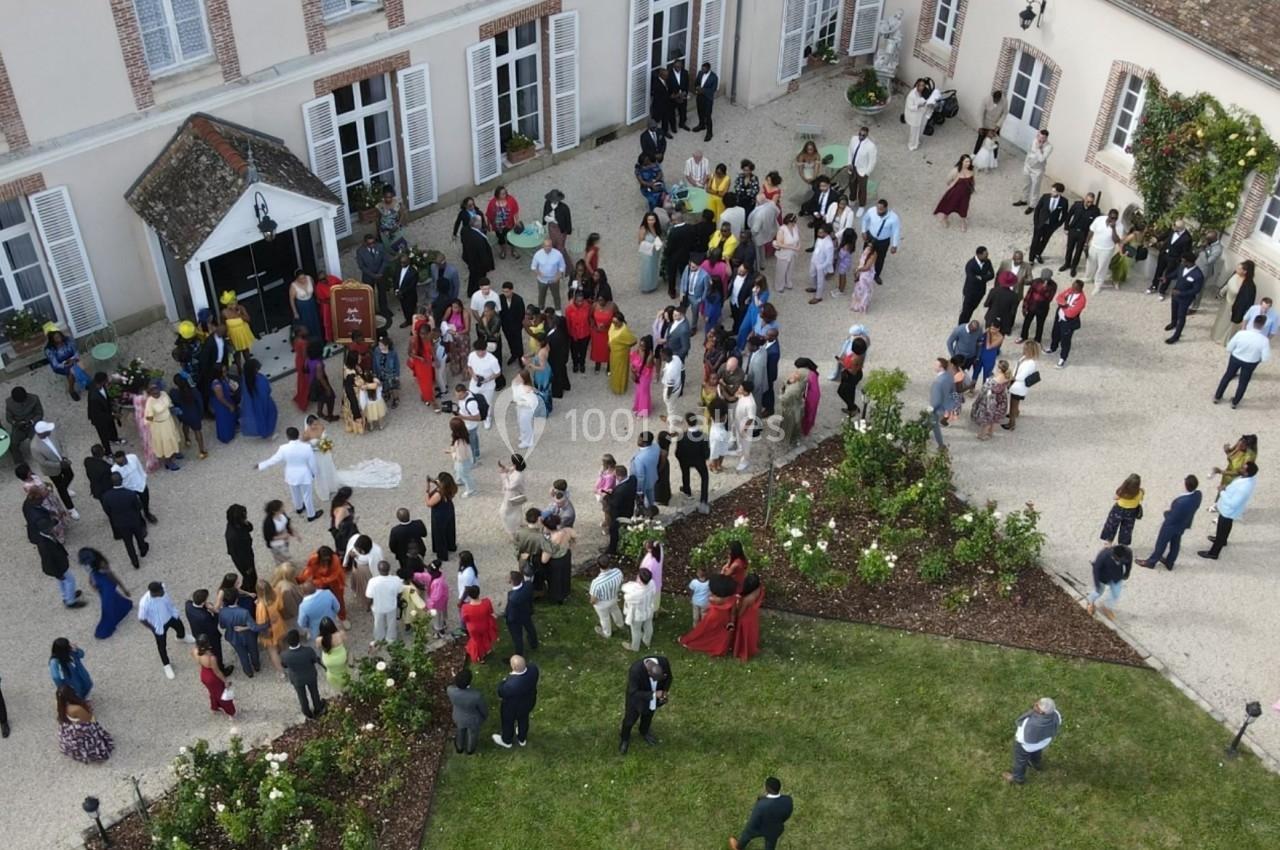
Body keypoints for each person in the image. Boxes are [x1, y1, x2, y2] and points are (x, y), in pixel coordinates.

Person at [255, 427, 321, 522]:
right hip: (304, 475)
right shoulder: (306, 447)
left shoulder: (283, 448)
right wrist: (315, 473)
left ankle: (299, 508)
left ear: (287, 437)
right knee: (307, 496)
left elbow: (273, 460)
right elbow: (312, 463)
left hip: (291, 475)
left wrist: (261, 465)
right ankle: (311, 515)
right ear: (298, 435)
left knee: (295, 494)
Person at [1136, 476, 1202, 571]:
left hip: (1171, 526)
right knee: (1175, 543)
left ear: (1186, 485)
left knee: (1161, 543)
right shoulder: (1198, 495)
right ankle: (1170, 562)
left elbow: (1172, 516)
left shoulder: (1180, 502)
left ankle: (1151, 562)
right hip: (1183, 524)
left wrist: (1166, 513)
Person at [1198, 462, 1259, 561]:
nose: (1241, 468)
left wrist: (1222, 491)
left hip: (1228, 511)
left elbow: (1232, 503)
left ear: (1247, 473)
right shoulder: (1247, 478)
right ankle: (1223, 541)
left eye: (1243, 468)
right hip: (1229, 511)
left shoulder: (1244, 488)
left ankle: (1214, 553)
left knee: (1222, 529)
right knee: (1226, 527)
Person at [1213, 315, 1271, 408]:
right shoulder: (1264, 340)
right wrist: (1258, 359)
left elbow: (1229, 347)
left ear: (1252, 323)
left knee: (1227, 376)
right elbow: (1265, 358)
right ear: (1263, 326)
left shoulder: (1241, 334)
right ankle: (1235, 402)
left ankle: (1217, 396)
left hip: (1236, 358)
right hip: (1251, 362)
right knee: (1243, 382)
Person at [618, 655, 672, 755]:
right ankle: (624, 738)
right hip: (636, 699)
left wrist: (664, 692)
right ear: (648, 672)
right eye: (654, 679)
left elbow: (669, 678)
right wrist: (655, 694)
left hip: (653, 699)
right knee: (629, 720)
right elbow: (633, 692)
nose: (657, 681)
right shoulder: (635, 670)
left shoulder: (663, 662)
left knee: (648, 715)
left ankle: (644, 731)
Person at [138, 581, 191, 679]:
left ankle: (181, 637)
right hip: (159, 625)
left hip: (170, 616)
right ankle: (166, 665)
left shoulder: (162, 589)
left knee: (180, 628)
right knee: (162, 646)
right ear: (154, 592)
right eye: (160, 591)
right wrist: (152, 628)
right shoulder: (144, 603)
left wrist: (174, 612)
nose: (163, 592)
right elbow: (142, 618)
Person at [1004, 697, 1061, 784]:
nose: (1035, 704)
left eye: (1037, 705)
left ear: (1042, 712)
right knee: (1037, 752)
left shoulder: (1030, 723)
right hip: (1043, 742)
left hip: (1026, 746)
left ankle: (1018, 778)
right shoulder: (1056, 714)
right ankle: (1036, 764)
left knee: (1020, 761)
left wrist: (1017, 740)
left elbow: (1022, 737)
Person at [27, 420, 79, 515]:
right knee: (61, 488)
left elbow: (61, 444)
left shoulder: (52, 433)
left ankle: (65, 489)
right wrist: (59, 465)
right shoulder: (34, 446)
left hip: (63, 462)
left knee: (70, 475)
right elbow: (43, 462)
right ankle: (71, 508)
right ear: (41, 433)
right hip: (52, 470)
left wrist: (64, 457)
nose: (50, 431)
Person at [729, 777, 794, 850]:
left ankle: (738, 847)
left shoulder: (761, 805)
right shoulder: (788, 800)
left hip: (759, 829)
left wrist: (750, 829)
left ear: (767, 789)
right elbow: (787, 814)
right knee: (770, 844)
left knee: (746, 834)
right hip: (775, 829)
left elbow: (753, 821)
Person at [81, 548, 132, 640]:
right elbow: (91, 575)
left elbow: (112, 576)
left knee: (107, 607)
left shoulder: (102, 564)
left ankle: (106, 628)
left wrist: (124, 589)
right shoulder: (90, 563)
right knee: (113, 601)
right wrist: (92, 583)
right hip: (101, 586)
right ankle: (123, 607)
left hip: (106, 586)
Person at [56, 685, 114, 763]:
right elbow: (88, 718)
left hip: (69, 728)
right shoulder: (76, 709)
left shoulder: (60, 704)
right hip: (81, 730)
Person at [492, 654, 539, 749]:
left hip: (512, 708)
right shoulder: (533, 669)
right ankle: (522, 739)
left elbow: (501, 692)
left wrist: (504, 680)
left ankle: (507, 741)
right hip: (528, 703)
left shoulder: (510, 685)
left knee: (508, 723)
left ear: (513, 667)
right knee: (524, 720)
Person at [281, 629, 326, 718]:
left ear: (288, 642)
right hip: (310, 675)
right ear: (299, 639)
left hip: (296, 678)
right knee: (314, 692)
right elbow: (315, 660)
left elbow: (284, 665)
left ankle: (307, 712)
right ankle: (318, 708)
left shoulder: (285, 655)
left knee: (301, 696)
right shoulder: (308, 651)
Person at [1212, 261, 1258, 345]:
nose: (1237, 269)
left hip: (1234, 306)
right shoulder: (1235, 275)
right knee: (1221, 320)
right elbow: (1227, 285)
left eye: (1239, 268)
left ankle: (1224, 340)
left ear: (1245, 272)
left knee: (1229, 324)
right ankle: (1216, 334)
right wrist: (1221, 293)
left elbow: (1247, 301)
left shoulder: (1249, 286)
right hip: (1226, 302)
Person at [1164, 254, 1205, 344]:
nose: (1182, 262)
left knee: (1181, 316)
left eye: (1183, 261)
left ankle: (1176, 336)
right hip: (1175, 295)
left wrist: (1181, 293)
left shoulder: (1198, 275)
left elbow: (1196, 290)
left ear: (1189, 262)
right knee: (1174, 310)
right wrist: (1166, 277)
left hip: (1185, 299)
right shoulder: (1182, 267)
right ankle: (1173, 323)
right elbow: (1175, 274)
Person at [192, 634, 237, 717]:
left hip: (204, 674)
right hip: (212, 677)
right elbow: (217, 672)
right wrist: (225, 681)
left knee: (213, 692)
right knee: (222, 694)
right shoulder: (211, 658)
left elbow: (197, 661)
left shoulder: (195, 651)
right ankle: (230, 712)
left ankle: (215, 707)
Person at [447, 668, 489, 755]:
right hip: (473, 720)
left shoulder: (450, 690)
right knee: (472, 734)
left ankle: (459, 747)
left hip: (458, 716)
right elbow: (483, 709)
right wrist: (484, 716)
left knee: (460, 731)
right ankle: (470, 750)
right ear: (469, 682)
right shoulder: (476, 696)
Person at [860, 199, 901, 285]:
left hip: (883, 241)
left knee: (880, 258)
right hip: (870, 237)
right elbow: (864, 220)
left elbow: (896, 231)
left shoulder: (894, 218)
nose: (878, 211)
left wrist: (894, 245)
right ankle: (862, 269)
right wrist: (863, 231)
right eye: (878, 208)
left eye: (881, 209)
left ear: (886, 208)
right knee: (866, 254)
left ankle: (876, 275)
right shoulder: (871, 211)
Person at [1047, 280, 1087, 368]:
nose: (1072, 287)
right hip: (1059, 317)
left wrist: (1063, 305)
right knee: (1055, 333)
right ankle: (1053, 348)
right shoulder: (1070, 290)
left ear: (1079, 288)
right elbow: (1059, 297)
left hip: (1068, 322)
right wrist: (1066, 305)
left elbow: (1071, 313)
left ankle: (1062, 358)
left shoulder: (1082, 300)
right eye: (1072, 285)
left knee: (1065, 340)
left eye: (1074, 286)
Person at [1083, 208, 1124, 294]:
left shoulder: (1119, 226)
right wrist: (1086, 243)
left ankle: (1098, 284)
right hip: (1094, 246)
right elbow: (1091, 231)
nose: (1113, 220)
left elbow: (1116, 241)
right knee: (1090, 263)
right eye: (1112, 217)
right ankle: (1088, 277)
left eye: (1115, 218)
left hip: (1106, 250)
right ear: (1108, 215)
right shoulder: (1099, 219)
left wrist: (1113, 229)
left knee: (1102, 267)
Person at [676, 412, 711, 511]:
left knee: (685, 473)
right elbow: (706, 453)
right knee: (704, 478)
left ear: (687, 422)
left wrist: (681, 460)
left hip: (685, 460)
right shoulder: (703, 435)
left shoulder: (682, 436)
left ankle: (687, 490)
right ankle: (703, 501)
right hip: (699, 461)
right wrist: (704, 459)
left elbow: (677, 452)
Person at [934, 154, 976, 230]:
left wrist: (972, 188)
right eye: (966, 161)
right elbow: (948, 180)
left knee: (964, 208)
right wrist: (952, 187)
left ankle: (963, 222)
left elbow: (972, 180)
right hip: (955, 193)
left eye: (969, 161)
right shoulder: (956, 170)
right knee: (949, 206)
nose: (968, 163)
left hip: (965, 194)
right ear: (962, 162)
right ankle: (944, 218)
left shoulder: (971, 169)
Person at [366, 561, 404, 645]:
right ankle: (391, 639)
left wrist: (368, 607)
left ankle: (379, 638)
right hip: (391, 606)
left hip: (378, 607)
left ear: (378, 570)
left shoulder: (372, 581)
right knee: (391, 623)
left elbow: (369, 597)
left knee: (378, 623)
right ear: (389, 569)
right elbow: (400, 592)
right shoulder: (396, 579)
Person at [1028, 182, 1067, 263]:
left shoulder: (1064, 202)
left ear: (1060, 192)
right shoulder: (1045, 197)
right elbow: (1037, 209)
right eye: (1052, 190)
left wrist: (1057, 225)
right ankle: (1031, 259)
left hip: (1051, 226)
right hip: (1040, 223)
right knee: (1035, 241)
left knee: (1045, 241)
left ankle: (1038, 254)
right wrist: (1036, 222)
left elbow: (1064, 215)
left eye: (1055, 191)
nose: (1052, 193)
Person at [1101, 474, 1144, 546]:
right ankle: (1123, 544)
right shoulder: (1140, 493)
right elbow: (1141, 499)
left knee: (1111, 525)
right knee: (1127, 529)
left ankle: (1108, 542)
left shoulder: (1122, 491)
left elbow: (1115, 497)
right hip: (1131, 512)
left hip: (1118, 510)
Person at [1014, 129, 1053, 209]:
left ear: (1046, 138)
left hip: (1037, 170)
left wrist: (1039, 149)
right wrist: (1026, 163)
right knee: (1026, 185)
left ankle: (1032, 205)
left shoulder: (1049, 147)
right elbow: (1029, 151)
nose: (1039, 139)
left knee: (1035, 188)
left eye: (1042, 138)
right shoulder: (1035, 140)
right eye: (1039, 136)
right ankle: (1024, 200)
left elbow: (1041, 159)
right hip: (1028, 166)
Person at [1018, 270, 1057, 345]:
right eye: (1043, 278)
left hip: (1042, 308)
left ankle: (1037, 340)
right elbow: (1029, 293)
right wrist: (1025, 305)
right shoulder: (1036, 281)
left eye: (1046, 279)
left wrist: (1044, 289)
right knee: (1026, 322)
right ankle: (1023, 336)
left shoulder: (1053, 285)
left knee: (1040, 324)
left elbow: (1049, 298)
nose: (1044, 280)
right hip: (1032, 305)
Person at [6, 385, 44, 463]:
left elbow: (39, 414)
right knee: (13, 443)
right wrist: (16, 423)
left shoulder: (34, 399)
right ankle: (19, 461)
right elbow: (9, 418)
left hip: (32, 425)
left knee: (41, 440)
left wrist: (31, 422)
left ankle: (43, 456)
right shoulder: (9, 403)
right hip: (18, 426)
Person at [459, 585, 498, 663]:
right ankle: (487, 650)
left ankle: (480, 657)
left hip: (473, 628)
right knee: (485, 638)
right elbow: (491, 612)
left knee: (477, 642)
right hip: (484, 625)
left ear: (469, 595)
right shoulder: (486, 602)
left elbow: (464, 619)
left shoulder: (465, 607)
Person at [426, 472, 458, 562]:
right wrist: (433, 481)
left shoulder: (439, 494)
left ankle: (442, 554)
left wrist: (427, 491)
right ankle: (451, 546)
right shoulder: (452, 487)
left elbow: (428, 503)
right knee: (449, 529)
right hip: (448, 509)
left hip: (439, 514)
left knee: (440, 533)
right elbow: (438, 482)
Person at [505, 570, 538, 656]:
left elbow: (511, 613)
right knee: (530, 628)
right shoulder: (528, 586)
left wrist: (508, 620)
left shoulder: (512, 597)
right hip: (526, 612)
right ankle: (534, 643)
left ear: (512, 581)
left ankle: (519, 654)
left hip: (516, 619)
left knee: (517, 637)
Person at [733, 573, 765, 662]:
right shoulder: (759, 589)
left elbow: (740, 612)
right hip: (753, 616)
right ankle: (752, 647)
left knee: (743, 635)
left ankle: (742, 651)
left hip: (745, 618)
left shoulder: (747, 599)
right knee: (751, 633)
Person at [86, 371, 122, 450]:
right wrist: (113, 415)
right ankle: (108, 452)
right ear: (102, 381)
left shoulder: (101, 386)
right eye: (106, 379)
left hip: (106, 411)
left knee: (111, 426)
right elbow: (99, 414)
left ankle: (114, 439)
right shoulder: (94, 398)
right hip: (99, 419)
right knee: (104, 435)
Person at [316, 616, 349, 694]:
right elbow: (346, 642)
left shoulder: (319, 639)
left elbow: (318, 647)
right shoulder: (341, 634)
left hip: (329, 661)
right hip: (341, 658)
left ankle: (339, 688)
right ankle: (346, 684)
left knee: (332, 672)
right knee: (344, 669)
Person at [984, 272, 1020, 336]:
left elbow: (986, 304)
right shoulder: (1015, 296)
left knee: (987, 336)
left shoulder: (993, 291)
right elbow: (1013, 312)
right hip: (1004, 322)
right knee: (999, 338)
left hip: (991, 318)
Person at [692, 60, 718, 140]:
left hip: (708, 99)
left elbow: (713, 90)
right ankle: (701, 125)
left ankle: (709, 133)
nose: (702, 70)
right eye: (702, 69)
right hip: (700, 97)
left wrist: (702, 90)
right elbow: (696, 83)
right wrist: (697, 88)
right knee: (700, 112)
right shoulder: (700, 73)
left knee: (707, 116)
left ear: (708, 69)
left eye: (704, 69)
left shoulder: (714, 77)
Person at [904, 78, 931, 151]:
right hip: (914, 116)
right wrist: (919, 106)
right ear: (917, 85)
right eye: (920, 85)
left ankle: (917, 141)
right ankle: (911, 145)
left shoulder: (925, 92)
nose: (922, 87)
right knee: (914, 131)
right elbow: (910, 107)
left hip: (922, 114)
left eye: (923, 85)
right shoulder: (911, 95)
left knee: (921, 129)